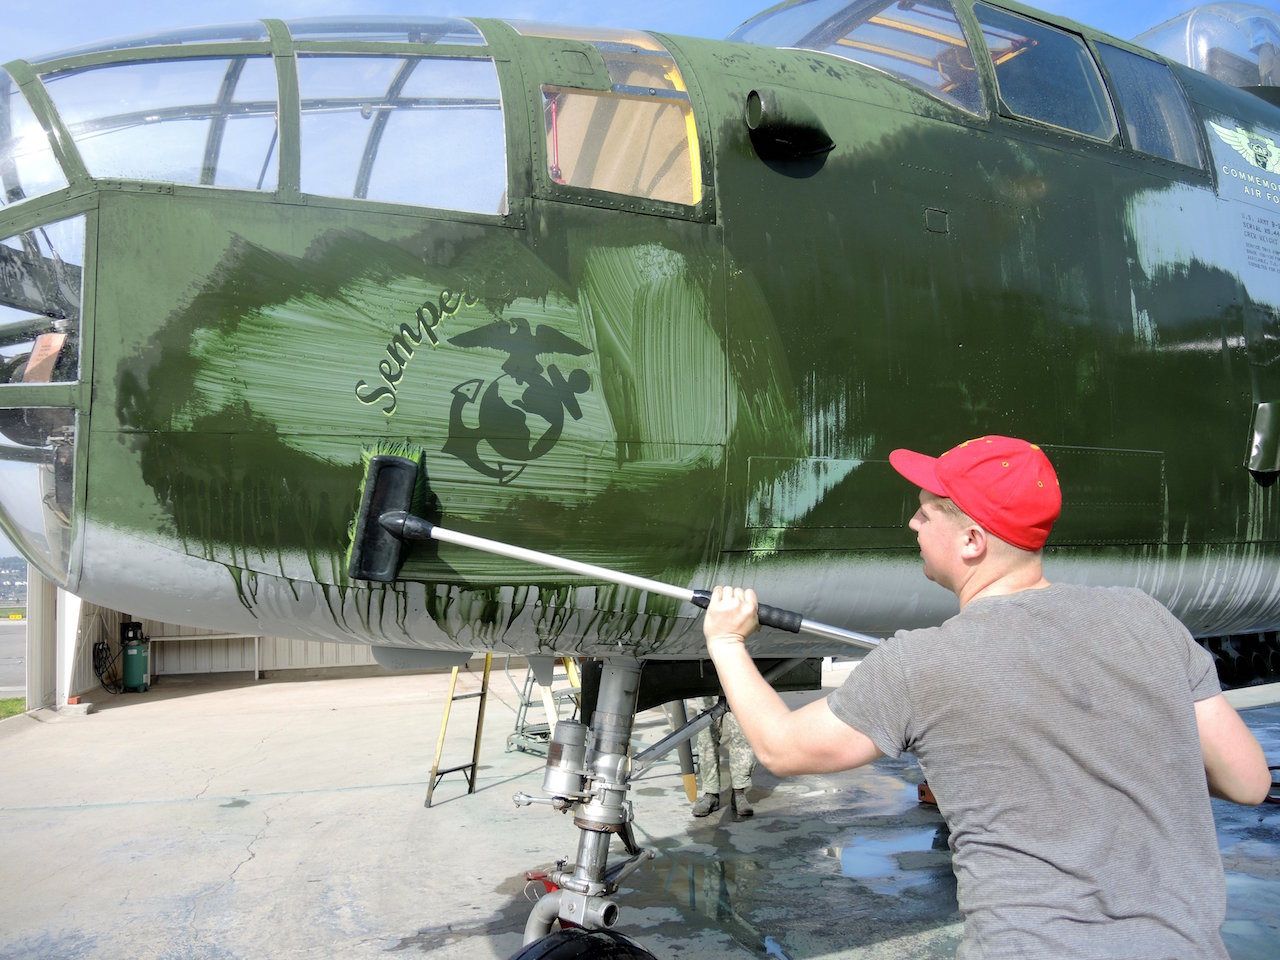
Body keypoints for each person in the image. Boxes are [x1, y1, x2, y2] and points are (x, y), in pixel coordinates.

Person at [701, 435, 1271, 959]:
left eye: (926, 513)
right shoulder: (1146, 619)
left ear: (971, 541)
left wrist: (727, 641)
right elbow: (1248, 783)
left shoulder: (921, 662)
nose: (912, 523)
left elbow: (782, 748)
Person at [687, 696, 757, 817]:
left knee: (742, 735)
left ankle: (739, 792)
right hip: (709, 688)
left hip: (738, 685)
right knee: (707, 736)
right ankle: (711, 793)